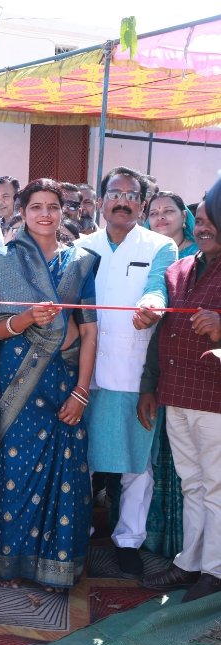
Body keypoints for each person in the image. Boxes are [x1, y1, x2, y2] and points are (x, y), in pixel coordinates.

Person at [0, 178, 99, 591]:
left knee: (64, 472)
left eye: (53, 206)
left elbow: (90, 330)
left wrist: (82, 391)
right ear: (23, 211)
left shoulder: (80, 261)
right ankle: (11, 563)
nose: (45, 214)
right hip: (20, 382)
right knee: (15, 470)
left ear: (64, 211)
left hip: (65, 381)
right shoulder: (2, 261)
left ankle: (56, 566)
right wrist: (26, 319)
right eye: (36, 206)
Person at [78, 166, 177, 579]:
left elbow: (158, 287)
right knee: (81, 461)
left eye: (131, 195)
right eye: (115, 194)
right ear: (101, 201)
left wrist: (152, 305)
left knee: (138, 465)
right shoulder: (81, 247)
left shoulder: (160, 246)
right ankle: (76, 537)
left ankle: (129, 541)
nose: (123, 201)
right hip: (85, 374)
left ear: (142, 203)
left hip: (136, 373)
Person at [141, 183, 221, 602]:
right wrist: (149, 387)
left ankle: (214, 571)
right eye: (200, 220)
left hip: (214, 399)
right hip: (175, 394)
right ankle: (190, 563)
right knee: (192, 483)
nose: (203, 227)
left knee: (217, 487)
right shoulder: (180, 269)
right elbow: (162, 334)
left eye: (211, 220)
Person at [139, 191, 198, 557]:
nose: (160, 217)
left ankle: (187, 550)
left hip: (192, 374)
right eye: (154, 212)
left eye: (169, 211)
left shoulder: (199, 259)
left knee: (190, 470)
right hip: (152, 365)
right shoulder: (149, 253)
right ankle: (154, 542)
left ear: (184, 217)